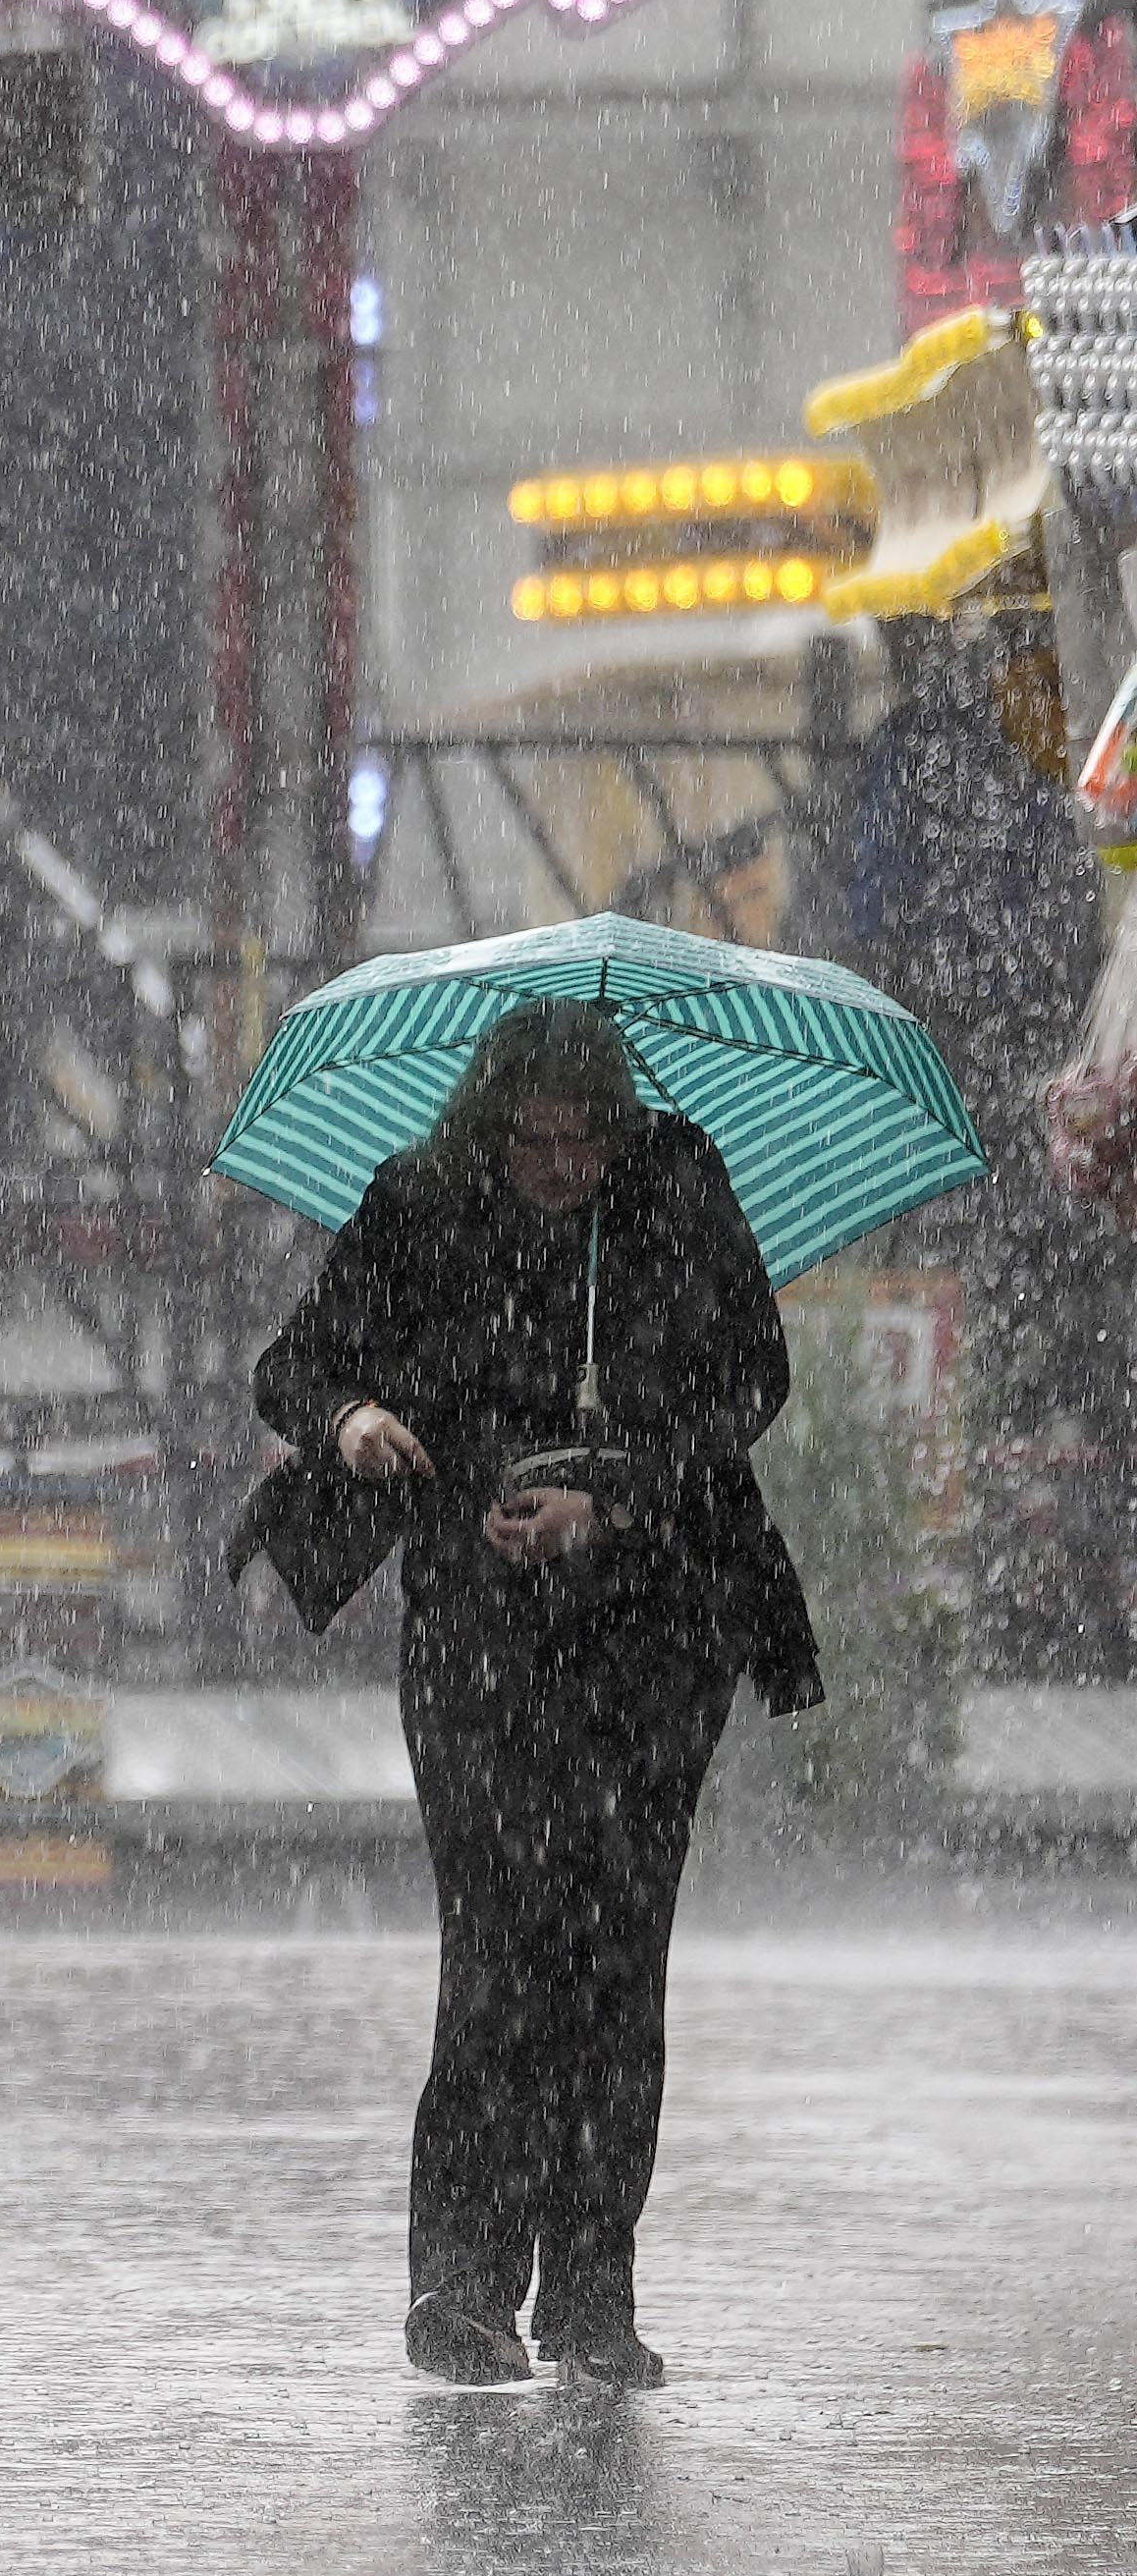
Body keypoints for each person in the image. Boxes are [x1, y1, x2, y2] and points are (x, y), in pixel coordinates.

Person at [245, 1003, 816, 2394]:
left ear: (620, 1126)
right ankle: (458, 2279)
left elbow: (749, 1377)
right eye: (536, 1141)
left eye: (586, 1141)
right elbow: (294, 1365)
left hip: (650, 1636)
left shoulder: (676, 1190)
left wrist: (610, 1497)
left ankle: (593, 2292)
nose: (564, 1168)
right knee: (497, 1949)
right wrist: (352, 1422)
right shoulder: (419, 1200)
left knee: (614, 1963)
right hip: (475, 1635)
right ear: (487, 1123)